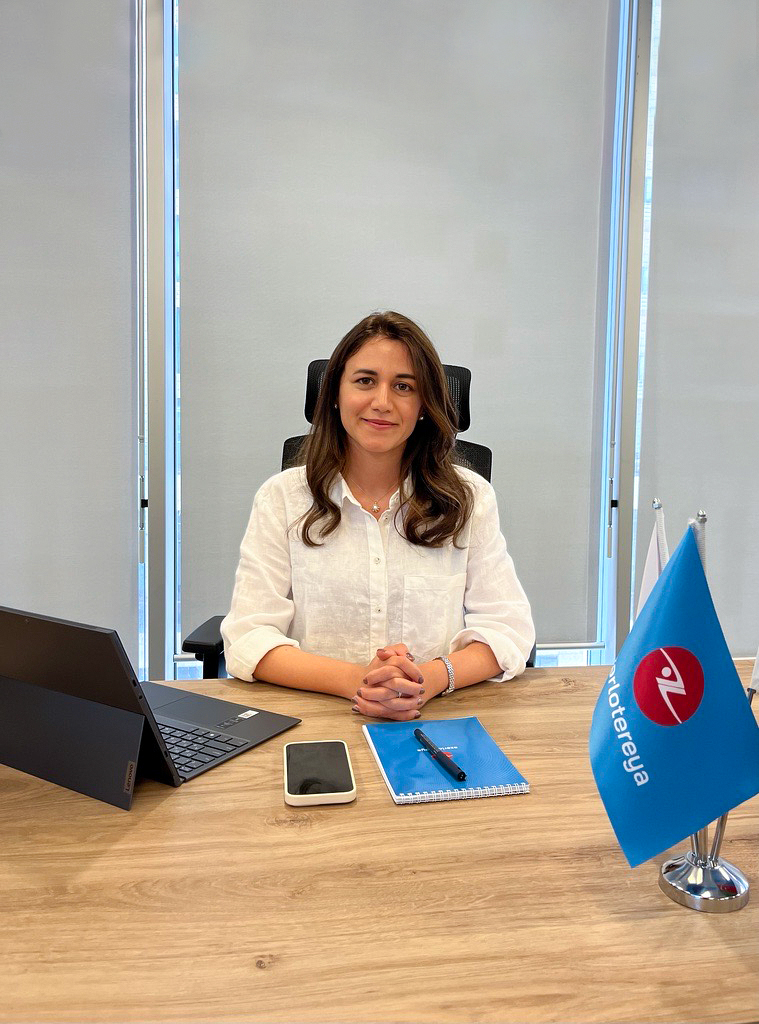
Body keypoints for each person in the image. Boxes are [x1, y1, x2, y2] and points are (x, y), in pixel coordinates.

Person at [221, 311, 534, 720]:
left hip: (435, 718)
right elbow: (248, 636)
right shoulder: (282, 498)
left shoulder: (470, 498)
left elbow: (508, 629)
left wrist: (428, 680)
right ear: (335, 393)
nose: (382, 402)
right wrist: (358, 681)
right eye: (365, 381)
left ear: (423, 405)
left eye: (404, 386)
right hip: (315, 718)